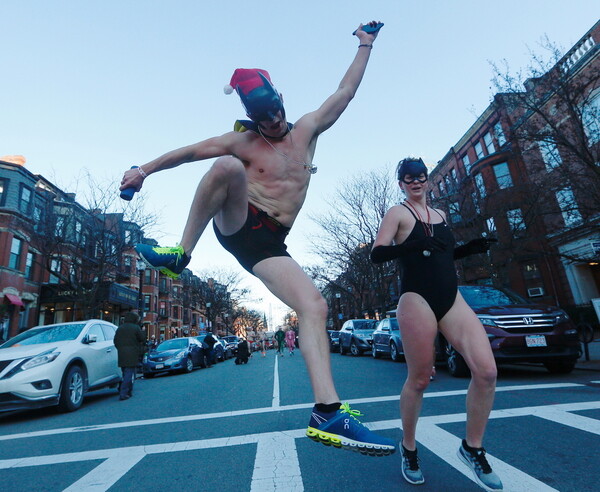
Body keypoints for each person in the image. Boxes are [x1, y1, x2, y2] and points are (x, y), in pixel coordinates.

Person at [120, 21, 394, 456]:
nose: (273, 122)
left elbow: (344, 93)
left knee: (315, 306)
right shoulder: (245, 141)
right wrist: (144, 170)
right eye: (264, 118)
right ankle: (180, 253)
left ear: (283, 103)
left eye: (276, 113)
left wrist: (365, 44)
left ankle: (326, 411)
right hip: (239, 222)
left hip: (270, 242)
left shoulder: (306, 130)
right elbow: (190, 151)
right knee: (226, 165)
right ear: (253, 117)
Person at [370, 158, 502, 490]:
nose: (416, 182)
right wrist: (412, 244)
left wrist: (467, 250)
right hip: (416, 299)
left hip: (450, 298)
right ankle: (409, 447)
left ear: (428, 181)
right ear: (401, 183)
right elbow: (377, 254)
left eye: (421, 177)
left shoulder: (441, 215)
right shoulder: (397, 214)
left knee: (486, 372)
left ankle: (472, 447)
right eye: (409, 178)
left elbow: (441, 254)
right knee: (419, 380)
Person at [114, 312, 145, 401]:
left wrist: (120, 348)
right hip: (132, 354)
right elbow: (142, 338)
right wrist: (143, 330)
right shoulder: (135, 328)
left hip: (121, 354)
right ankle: (123, 393)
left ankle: (128, 392)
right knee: (129, 374)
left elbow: (115, 341)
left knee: (125, 373)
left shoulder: (120, 328)